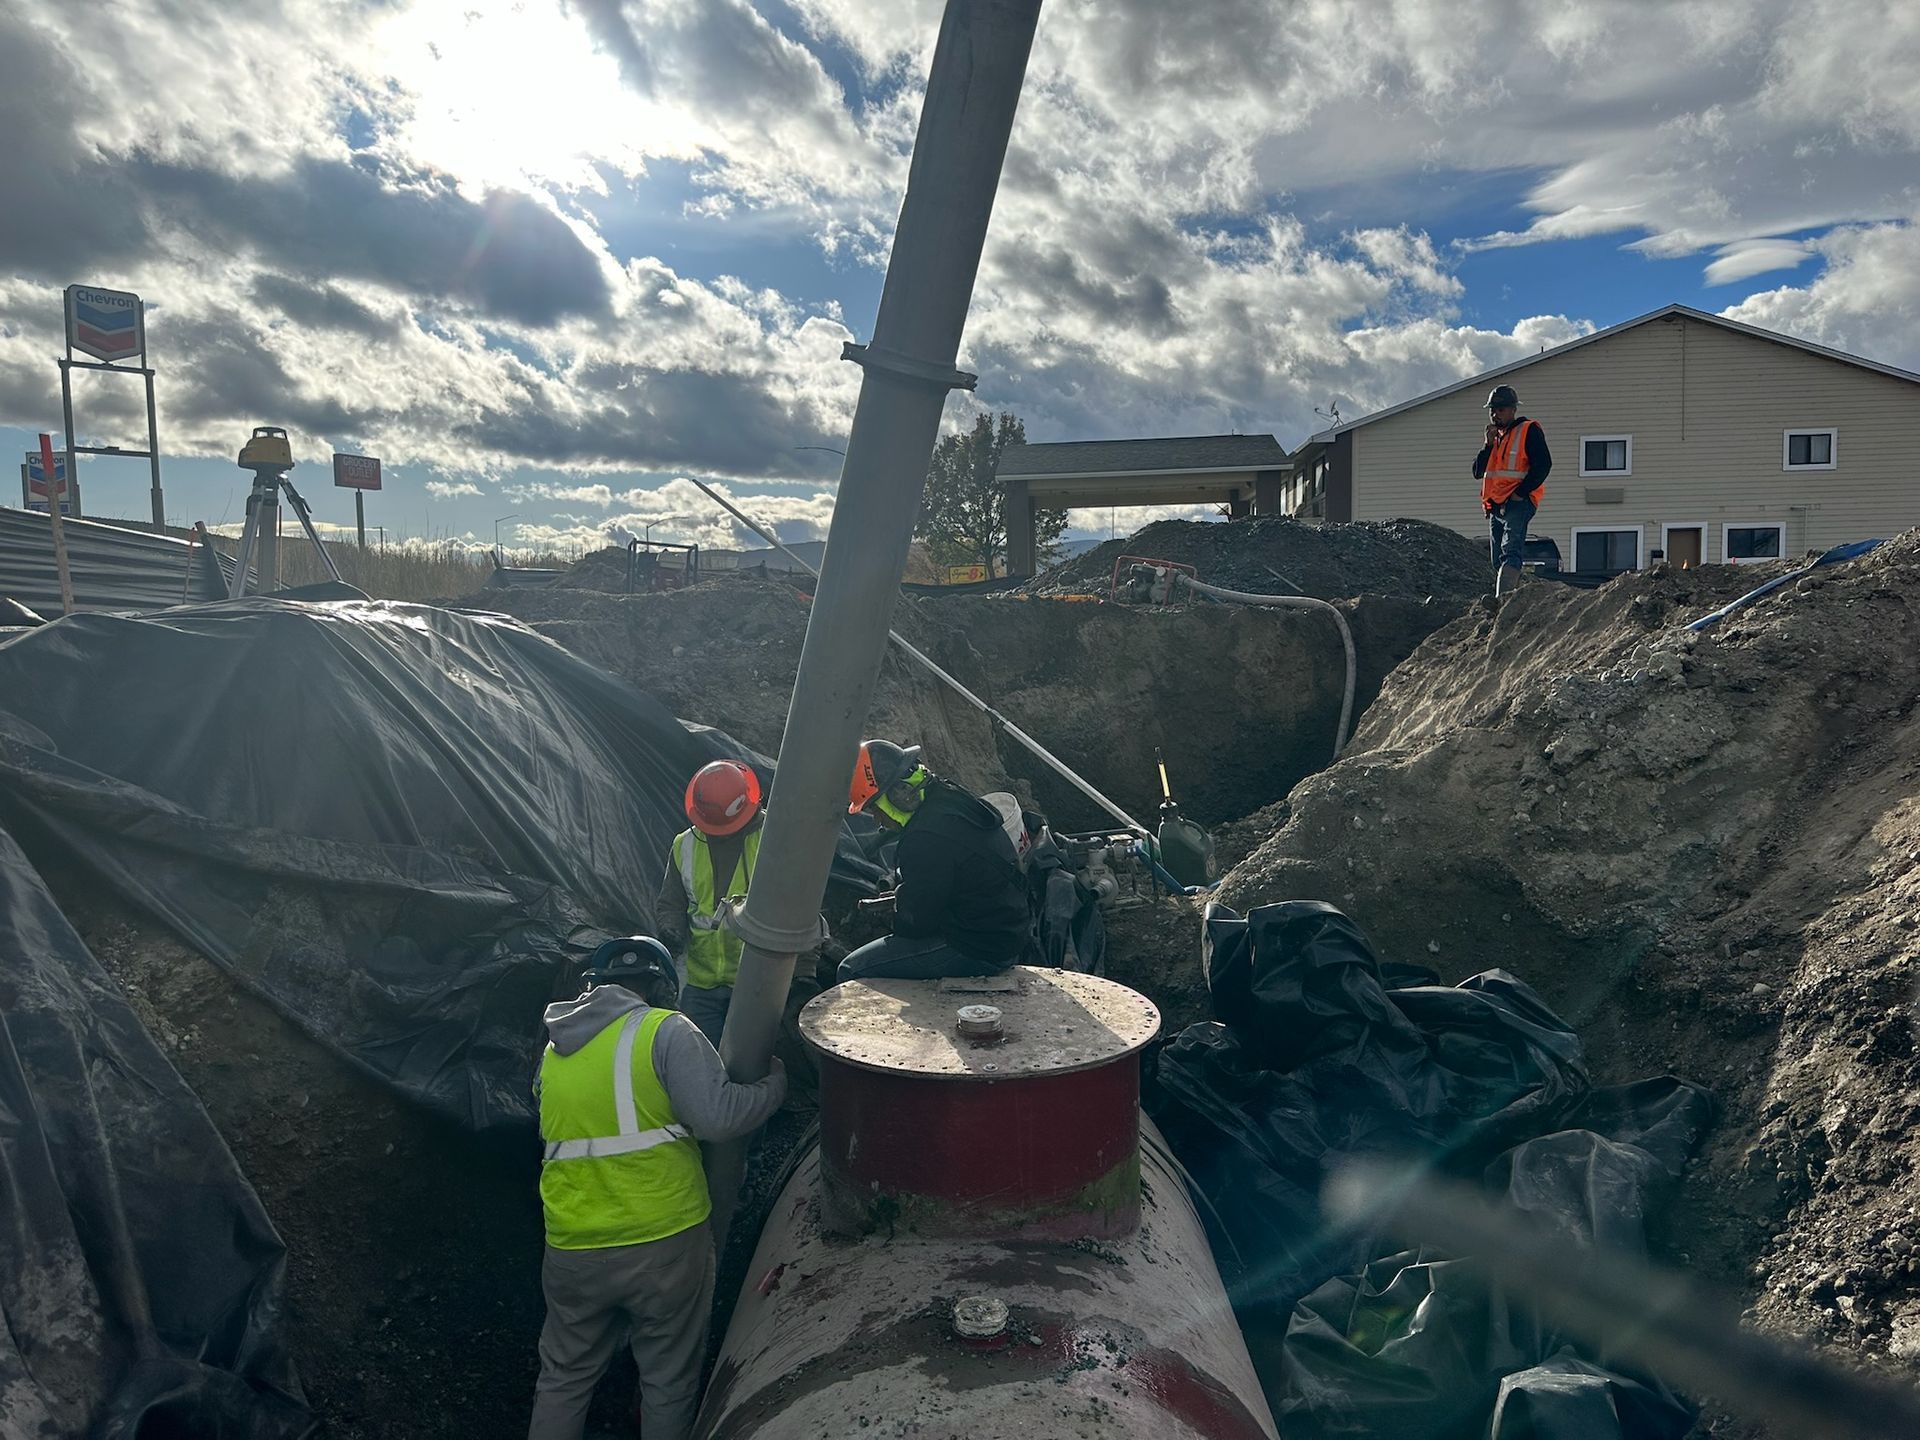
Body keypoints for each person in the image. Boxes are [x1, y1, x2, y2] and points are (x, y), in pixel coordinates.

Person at [528, 936, 785, 1440]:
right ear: (663, 988)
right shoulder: (664, 1030)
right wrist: (773, 1086)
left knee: (563, 1378)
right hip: (663, 1240)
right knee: (667, 1378)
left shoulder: (554, 1052)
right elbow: (718, 1118)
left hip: (572, 1246)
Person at [836, 739, 1029, 982]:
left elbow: (916, 925)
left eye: (875, 809)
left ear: (897, 796)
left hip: (980, 948)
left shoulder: (924, 839)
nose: (877, 821)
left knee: (851, 970)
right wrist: (907, 895)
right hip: (1008, 931)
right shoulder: (949, 797)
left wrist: (900, 907)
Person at [657, 759, 764, 1045]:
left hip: (753, 983)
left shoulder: (770, 841)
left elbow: (794, 904)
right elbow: (671, 902)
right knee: (702, 1063)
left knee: (747, 1061)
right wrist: (671, 930)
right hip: (698, 983)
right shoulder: (685, 844)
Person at [1473, 383, 1552, 597]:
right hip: (1496, 505)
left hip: (1518, 502)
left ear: (1513, 410)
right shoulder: (1496, 438)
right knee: (1497, 557)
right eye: (1492, 410)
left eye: (1500, 409)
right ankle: (1512, 595)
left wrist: (1521, 493)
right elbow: (1477, 471)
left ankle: (1502, 601)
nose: (1495, 414)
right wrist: (1487, 446)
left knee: (1510, 552)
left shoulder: (1528, 430)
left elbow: (1543, 465)